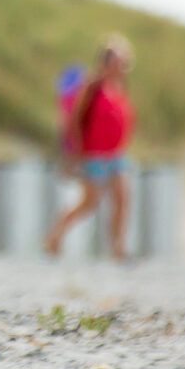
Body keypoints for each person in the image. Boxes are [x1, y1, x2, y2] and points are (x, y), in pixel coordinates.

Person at [43, 36, 135, 261]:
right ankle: (54, 237)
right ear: (105, 62)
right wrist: (76, 151)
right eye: (117, 61)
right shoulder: (92, 86)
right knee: (88, 203)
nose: (121, 66)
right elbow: (75, 118)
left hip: (115, 155)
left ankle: (118, 248)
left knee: (122, 199)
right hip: (93, 155)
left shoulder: (118, 89)